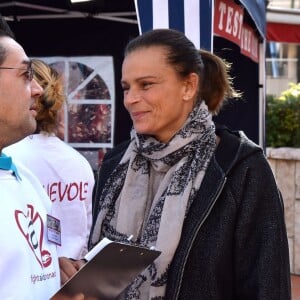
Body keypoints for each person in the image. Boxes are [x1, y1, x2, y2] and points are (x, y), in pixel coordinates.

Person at [61, 28, 291, 299]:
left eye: (146, 84)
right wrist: (85, 276)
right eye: (126, 87)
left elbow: (267, 287)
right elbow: (108, 274)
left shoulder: (240, 169)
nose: (131, 98)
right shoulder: (115, 164)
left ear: (188, 86)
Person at [4, 58, 95, 259]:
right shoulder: (80, 163)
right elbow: (85, 230)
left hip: (32, 277)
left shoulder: (11, 159)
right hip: (74, 277)